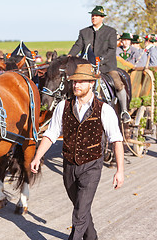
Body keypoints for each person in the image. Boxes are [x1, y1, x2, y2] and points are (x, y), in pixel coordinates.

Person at [31, 63, 124, 240]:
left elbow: (116, 140)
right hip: (69, 166)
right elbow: (51, 134)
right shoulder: (62, 107)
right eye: (74, 82)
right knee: (81, 207)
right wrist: (38, 156)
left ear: (91, 84)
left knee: (79, 215)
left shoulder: (105, 110)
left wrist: (120, 170)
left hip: (92, 166)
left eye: (81, 82)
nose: (76, 85)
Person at [68, 5, 131, 123]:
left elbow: (112, 49)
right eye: (92, 15)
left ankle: (124, 111)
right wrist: (69, 56)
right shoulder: (84, 32)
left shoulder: (111, 32)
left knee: (118, 83)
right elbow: (77, 46)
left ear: (102, 18)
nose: (94, 17)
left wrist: (101, 60)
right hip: (86, 67)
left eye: (96, 16)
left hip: (107, 67)